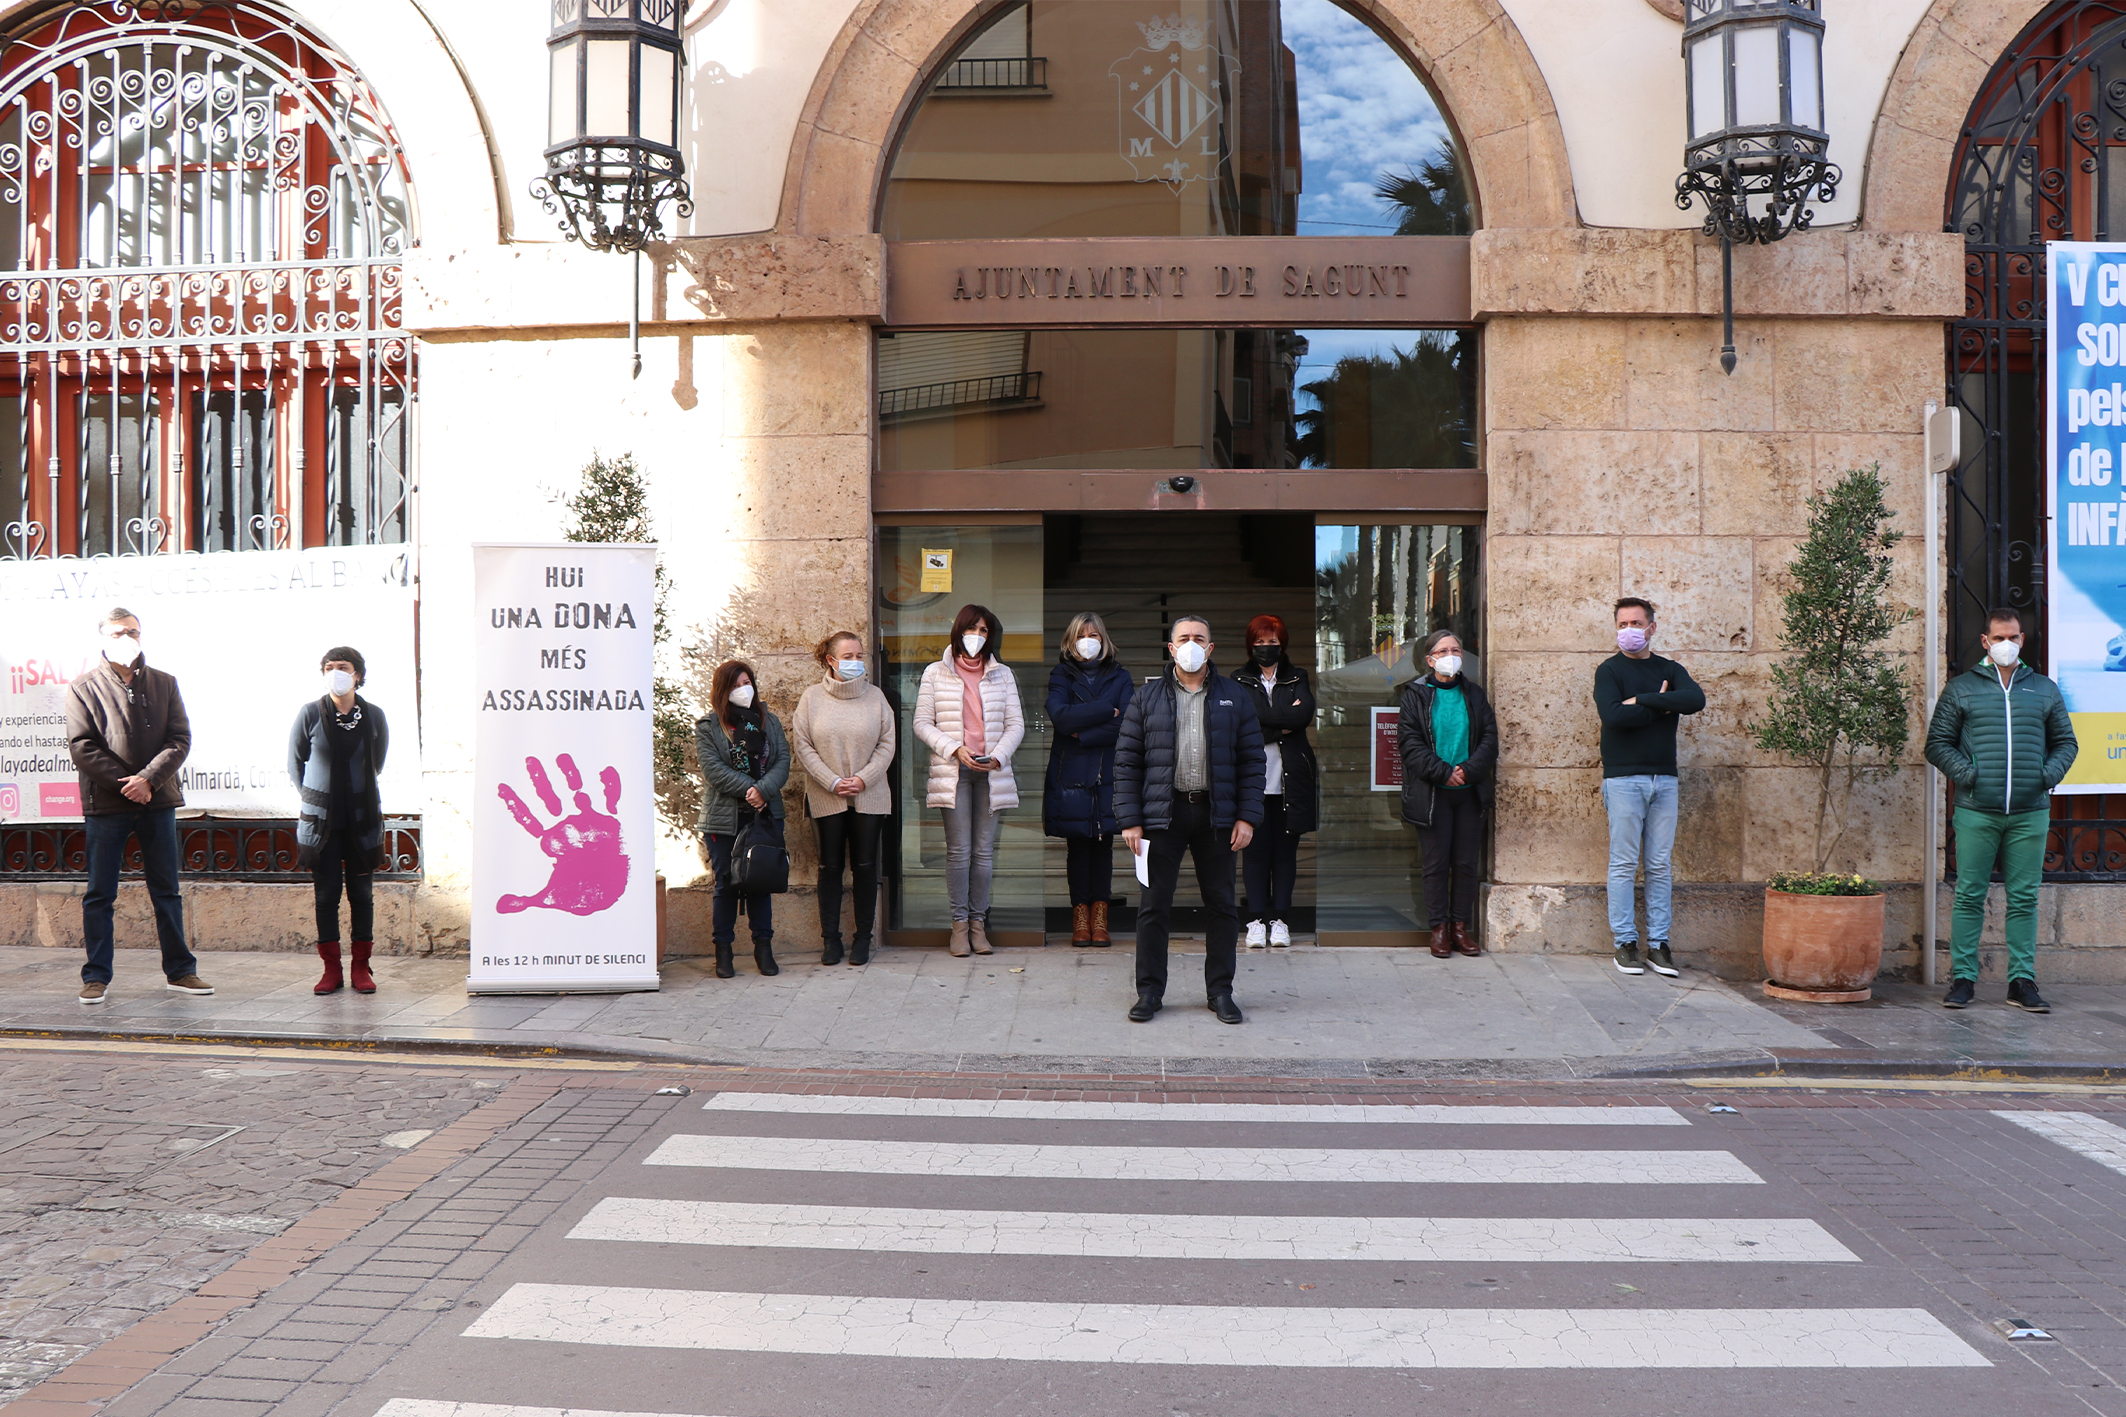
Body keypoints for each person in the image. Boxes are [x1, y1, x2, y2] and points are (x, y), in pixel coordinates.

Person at [1925, 607, 2078, 1013]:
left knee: (2025, 897)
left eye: (2013, 637)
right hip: (1977, 809)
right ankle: (1962, 979)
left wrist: (2045, 775)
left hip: (2030, 810)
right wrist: (1968, 775)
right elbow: (1938, 743)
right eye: (1998, 638)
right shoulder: (1962, 688)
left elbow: (2066, 742)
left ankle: (2021, 982)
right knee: (1969, 896)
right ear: (1985, 642)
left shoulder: (2043, 689)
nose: (2006, 644)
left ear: (2022, 640)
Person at [1114, 615, 1264, 1025]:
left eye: (1200, 638)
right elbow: (1127, 763)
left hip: (1218, 815)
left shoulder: (1235, 696)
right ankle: (1149, 992)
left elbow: (1253, 762)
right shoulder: (1145, 699)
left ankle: (1220, 992)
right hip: (1162, 814)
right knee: (1153, 906)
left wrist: (1247, 816)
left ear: (1211, 648)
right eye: (1184, 638)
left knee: (1221, 906)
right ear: (1171, 648)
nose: (1192, 644)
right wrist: (1130, 819)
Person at [64, 607, 212, 1004]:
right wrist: (126, 784)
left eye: (132, 631)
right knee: (100, 894)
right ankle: (96, 977)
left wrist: (149, 779)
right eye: (117, 633)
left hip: (157, 799)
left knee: (167, 890)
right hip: (107, 805)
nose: (126, 638)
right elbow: (82, 747)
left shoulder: (165, 683)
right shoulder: (83, 687)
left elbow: (179, 739)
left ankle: (181, 972)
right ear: (102, 639)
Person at [1593, 597, 1706, 978]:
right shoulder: (1609, 671)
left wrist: (1643, 699)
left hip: (1665, 778)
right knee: (1624, 863)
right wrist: (1662, 705)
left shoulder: (1670, 669)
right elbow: (1612, 715)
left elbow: (1694, 699)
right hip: (1623, 778)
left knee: (1659, 864)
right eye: (1622, 624)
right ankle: (1625, 943)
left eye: (1636, 623)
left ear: (1652, 628)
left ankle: (1659, 944)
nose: (1629, 631)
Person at [914, 604, 1025, 956]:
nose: (976, 636)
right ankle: (958, 927)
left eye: (983, 631)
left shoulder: (1002, 674)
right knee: (959, 852)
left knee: (983, 853)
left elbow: (1016, 724)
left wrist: (999, 756)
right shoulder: (935, 672)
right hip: (955, 771)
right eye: (971, 629)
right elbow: (921, 723)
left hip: (991, 772)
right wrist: (954, 749)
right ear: (958, 631)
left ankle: (979, 926)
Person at [288, 646, 391, 995]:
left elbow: (376, 762)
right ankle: (331, 969)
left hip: (362, 821)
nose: (336, 672)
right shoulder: (309, 714)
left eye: (343, 667)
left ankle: (361, 967)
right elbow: (295, 762)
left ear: (358, 674)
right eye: (329, 667)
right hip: (322, 824)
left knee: (361, 895)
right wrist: (318, 796)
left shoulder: (374, 715)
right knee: (326, 894)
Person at [791, 631, 895, 966]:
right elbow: (803, 744)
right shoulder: (811, 698)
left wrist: (862, 779)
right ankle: (830, 940)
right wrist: (832, 781)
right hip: (826, 795)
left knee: (866, 867)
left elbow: (887, 744)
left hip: (870, 794)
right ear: (831, 661)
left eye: (859, 655)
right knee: (829, 868)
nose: (856, 662)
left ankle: (863, 939)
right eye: (848, 656)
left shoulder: (876, 697)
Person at [1398, 629, 1499, 957]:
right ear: (1430, 660)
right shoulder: (1414, 695)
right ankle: (1439, 928)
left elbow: (1489, 738)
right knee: (1436, 863)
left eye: (1456, 649)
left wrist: (1468, 771)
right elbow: (1410, 744)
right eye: (1443, 651)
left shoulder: (1474, 694)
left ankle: (1460, 927)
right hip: (1432, 794)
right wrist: (1444, 772)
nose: (1451, 655)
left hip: (1470, 792)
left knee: (1466, 863)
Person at [1044, 612, 1135, 947]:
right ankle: (1080, 917)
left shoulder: (1120, 675)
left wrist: (1082, 732)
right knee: (1078, 846)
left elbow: (1127, 722)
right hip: (1071, 774)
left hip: (1109, 772)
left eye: (1094, 634)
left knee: (1104, 846)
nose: (1088, 640)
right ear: (1071, 640)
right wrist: (1104, 710)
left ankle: (1101, 917)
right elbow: (1061, 718)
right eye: (1082, 634)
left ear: (1104, 640)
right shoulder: (1061, 674)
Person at [696, 659, 790, 978]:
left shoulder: (769, 721)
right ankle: (724, 951)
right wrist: (752, 788)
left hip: (765, 817)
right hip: (724, 821)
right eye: (735, 685)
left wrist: (763, 790)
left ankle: (763, 948)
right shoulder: (709, 727)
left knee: (761, 884)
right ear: (723, 690)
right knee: (726, 886)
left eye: (746, 683)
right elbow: (714, 771)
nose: (742, 690)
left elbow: (782, 761)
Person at [1238, 614, 1317, 949]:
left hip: (1291, 780)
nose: (1266, 648)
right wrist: (1282, 724)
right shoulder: (1238, 679)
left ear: (1282, 644)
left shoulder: (1297, 676)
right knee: (1254, 851)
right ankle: (1256, 921)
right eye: (1260, 642)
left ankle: (1280, 920)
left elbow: (1303, 716)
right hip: (1253, 779)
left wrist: (1265, 723)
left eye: (1272, 642)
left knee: (1285, 853)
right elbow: (1243, 720)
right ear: (1250, 645)